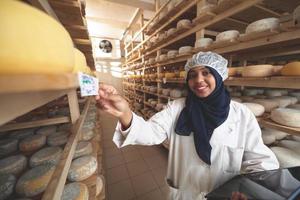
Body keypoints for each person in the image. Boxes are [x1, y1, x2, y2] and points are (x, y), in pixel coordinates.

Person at [96, 51, 279, 200]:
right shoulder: (177, 108)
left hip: (224, 194)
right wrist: (125, 113)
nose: (198, 80)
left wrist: (251, 189)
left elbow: (260, 160)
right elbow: (151, 132)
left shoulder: (241, 114)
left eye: (206, 73)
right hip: (185, 192)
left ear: (219, 75)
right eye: (192, 75)